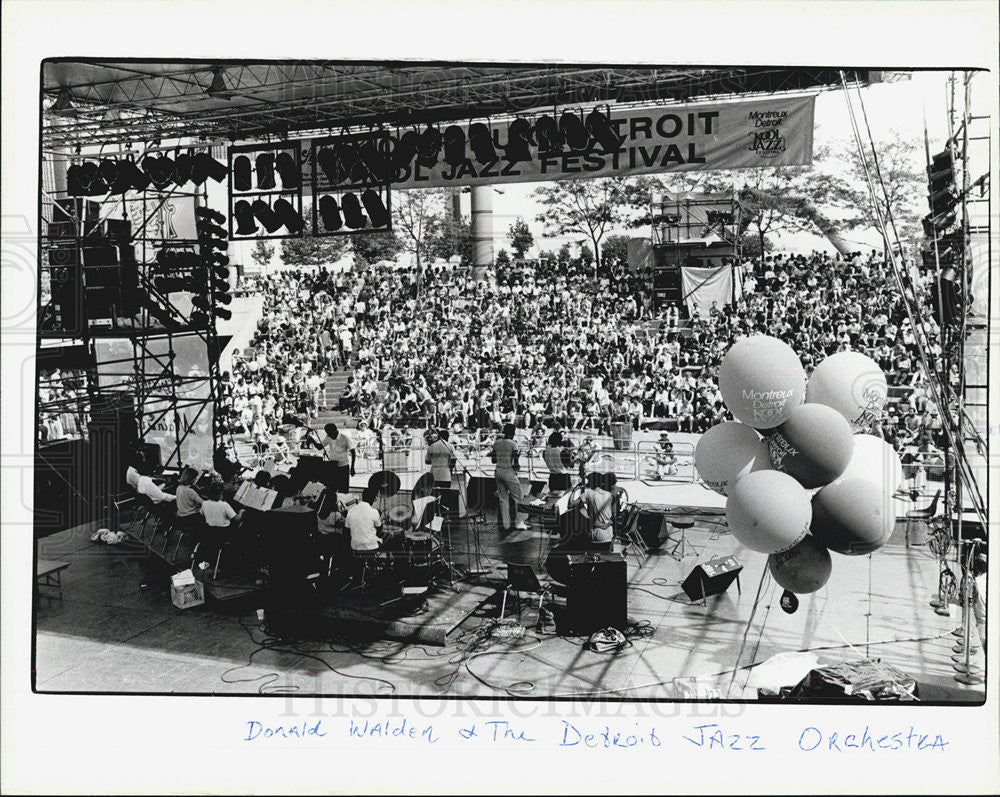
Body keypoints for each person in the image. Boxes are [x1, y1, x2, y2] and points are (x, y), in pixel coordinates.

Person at [490, 423, 528, 531]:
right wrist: (516, 459)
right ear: (513, 433)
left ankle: (505, 525)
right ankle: (519, 522)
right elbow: (516, 464)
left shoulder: (496, 443)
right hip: (508, 472)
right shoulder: (513, 444)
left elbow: (494, 460)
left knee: (503, 499)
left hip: (498, 472)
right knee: (519, 496)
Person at [321, 422, 356, 494]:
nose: (328, 435)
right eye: (327, 433)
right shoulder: (328, 437)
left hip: (343, 467)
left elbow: (353, 452)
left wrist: (352, 468)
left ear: (334, 431)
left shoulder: (344, 437)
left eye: (329, 433)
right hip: (332, 466)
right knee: (332, 488)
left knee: (343, 490)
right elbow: (319, 447)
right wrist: (312, 440)